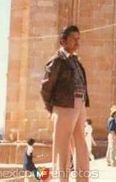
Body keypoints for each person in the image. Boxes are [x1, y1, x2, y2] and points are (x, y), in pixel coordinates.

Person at [40, 25, 90, 182]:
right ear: (63, 40)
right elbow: (46, 87)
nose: (77, 42)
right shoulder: (57, 60)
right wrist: (53, 108)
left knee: (81, 145)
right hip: (63, 106)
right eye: (73, 39)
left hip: (79, 103)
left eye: (78, 39)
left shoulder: (75, 60)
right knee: (61, 147)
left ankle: (83, 179)